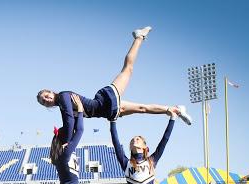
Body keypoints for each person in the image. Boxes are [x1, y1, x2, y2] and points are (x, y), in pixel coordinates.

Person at [37, 27, 191, 125]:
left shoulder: (63, 97)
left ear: (51, 91)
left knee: (127, 69)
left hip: (105, 100)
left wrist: (65, 142)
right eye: (44, 102)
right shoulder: (63, 108)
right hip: (106, 111)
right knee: (142, 108)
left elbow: (70, 123)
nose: (47, 99)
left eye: (46, 95)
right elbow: (74, 122)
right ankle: (175, 109)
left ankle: (139, 36)